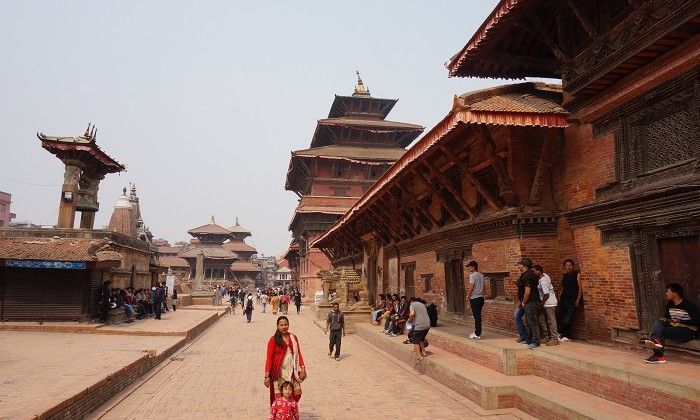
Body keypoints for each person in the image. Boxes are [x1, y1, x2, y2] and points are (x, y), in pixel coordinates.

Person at [643, 283, 699, 364]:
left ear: (675, 294)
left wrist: (680, 321)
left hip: (688, 332)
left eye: (668, 291)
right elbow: (668, 317)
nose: (666, 293)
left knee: (659, 332)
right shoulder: (670, 304)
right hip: (674, 328)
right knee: (658, 322)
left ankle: (658, 355)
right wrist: (665, 319)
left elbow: (697, 322)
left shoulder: (689, 306)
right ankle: (656, 342)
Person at [264, 316, 307, 406]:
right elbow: (269, 358)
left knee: (296, 394)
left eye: (286, 324)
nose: (284, 327)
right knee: (279, 398)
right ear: (277, 326)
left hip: (292, 372)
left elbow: (298, 353)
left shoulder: (293, 338)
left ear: (288, 325)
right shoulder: (273, 340)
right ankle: (280, 414)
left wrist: (302, 367)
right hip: (278, 374)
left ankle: (289, 411)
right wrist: (267, 376)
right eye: (281, 325)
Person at [517, 258, 541, 349]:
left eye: (519, 264)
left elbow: (527, 292)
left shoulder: (528, 276)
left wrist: (523, 302)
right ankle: (529, 339)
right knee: (529, 322)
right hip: (529, 301)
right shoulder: (526, 274)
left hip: (531, 301)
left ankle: (536, 341)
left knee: (532, 322)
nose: (518, 265)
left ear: (522, 265)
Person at [532, 265, 558, 345]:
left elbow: (546, 294)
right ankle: (547, 336)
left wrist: (542, 302)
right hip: (546, 303)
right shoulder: (545, 275)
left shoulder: (543, 281)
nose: (533, 273)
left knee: (551, 321)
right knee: (542, 319)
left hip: (549, 303)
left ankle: (554, 338)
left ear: (539, 271)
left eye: (534, 271)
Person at [557, 259, 582, 342]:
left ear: (573, 266)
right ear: (564, 267)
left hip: (572, 300)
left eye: (570, 265)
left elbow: (580, 288)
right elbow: (563, 287)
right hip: (564, 299)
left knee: (567, 319)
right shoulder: (565, 276)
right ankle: (566, 336)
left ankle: (563, 334)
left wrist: (578, 299)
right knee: (562, 317)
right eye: (567, 265)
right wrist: (560, 296)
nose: (569, 267)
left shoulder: (577, 275)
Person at [408, 297, 430, 364]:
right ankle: (423, 352)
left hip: (420, 325)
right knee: (421, 339)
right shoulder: (422, 304)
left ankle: (419, 356)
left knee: (415, 341)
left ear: (411, 301)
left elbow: (412, 314)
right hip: (427, 324)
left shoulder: (412, 305)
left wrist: (409, 320)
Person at [466, 260, 484, 339]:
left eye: (469, 266)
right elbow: (484, 287)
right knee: (478, 315)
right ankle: (477, 331)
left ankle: (477, 333)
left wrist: (468, 296)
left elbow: (471, 287)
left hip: (475, 298)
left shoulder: (472, 275)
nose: (469, 268)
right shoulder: (481, 275)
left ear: (473, 267)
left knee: (476, 316)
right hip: (481, 297)